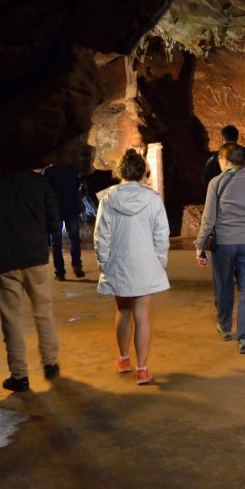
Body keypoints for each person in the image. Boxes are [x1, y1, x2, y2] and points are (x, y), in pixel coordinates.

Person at [0, 167, 61, 393]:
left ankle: (20, 376)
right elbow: (54, 222)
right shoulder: (39, 183)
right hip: (34, 257)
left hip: (3, 259)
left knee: (12, 319)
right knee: (43, 311)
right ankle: (50, 363)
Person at [94, 148, 170, 385]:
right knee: (143, 317)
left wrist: (104, 264)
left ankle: (123, 359)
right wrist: (159, 263)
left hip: (118, 264)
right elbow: (162, 235)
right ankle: (142, 369)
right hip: (145, 265)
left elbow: (101, 236)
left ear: (121, 172)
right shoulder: (153, 199)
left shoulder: (108, 200)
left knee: (123, 312)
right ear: (142, 172)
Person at [195, 143, 245, 354]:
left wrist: (200, 245)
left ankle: (225, 326)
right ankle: (244, 338)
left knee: (224, 285)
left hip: (225, 244)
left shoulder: (215, 184)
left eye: (219, 159)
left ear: (225, 161)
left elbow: (208, 220)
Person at [41, 163, 84, 280]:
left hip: (55, 210)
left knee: (56, 241)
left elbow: (45, 191)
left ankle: (60, 272)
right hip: (71, 207)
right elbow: (77, 185)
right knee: (74, 238)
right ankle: (77, 265)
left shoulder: (48, 172)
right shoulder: (71, 169)